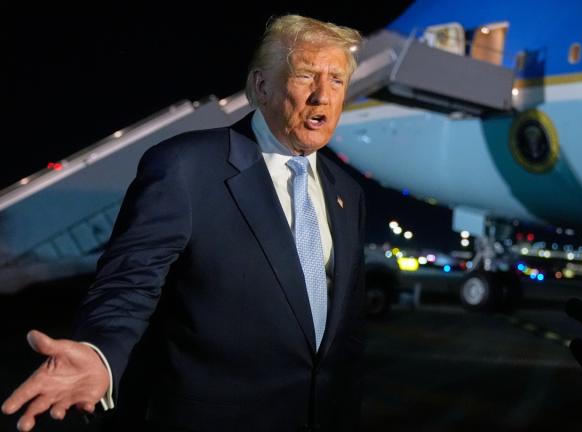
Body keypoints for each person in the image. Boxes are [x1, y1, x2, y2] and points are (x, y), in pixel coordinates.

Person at [2, 14, 366, 432]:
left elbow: (347, 328)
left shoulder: (347, 192)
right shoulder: (185, 166)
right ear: (262, 85)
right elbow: (130, 283)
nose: (322, 96)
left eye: (336, 80)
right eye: (305, 76)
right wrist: (101, 354)